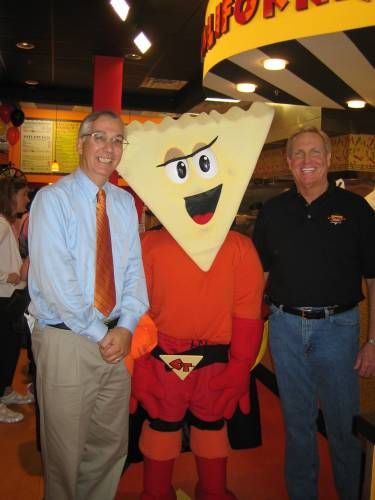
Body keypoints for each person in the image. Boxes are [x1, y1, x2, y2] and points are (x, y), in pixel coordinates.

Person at [28, 110, 148, 500]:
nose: (109, 148)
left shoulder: (124, 203)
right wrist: (104, 333)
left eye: (117, 140)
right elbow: (57, 283)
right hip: (68, 342)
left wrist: (127, 325)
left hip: (116, 339)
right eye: (100, 137)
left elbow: (133, 270)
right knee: (64, 456)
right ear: (81, 144)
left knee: (109, 449)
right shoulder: (52, 200)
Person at [253, 126, 375, 500]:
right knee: (297, 425)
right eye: (299, 154)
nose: (308, 161)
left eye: (314, 153)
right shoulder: (273, 211)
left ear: (329, 159)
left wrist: (373, 341)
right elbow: (260, 277)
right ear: (289, 163)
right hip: (285, 326)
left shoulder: (356, 210)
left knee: (343, 426)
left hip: (338, 329)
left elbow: (374, 278)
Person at [0, 174, 33, 424]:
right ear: (11, 197)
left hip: (10, 296)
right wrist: (5, 276)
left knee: (10, 349)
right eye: (23, 194)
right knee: (4, 350)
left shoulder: (8, 223)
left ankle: (7, 390)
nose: (27, 199)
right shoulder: (1, 224)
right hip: (4, 297)